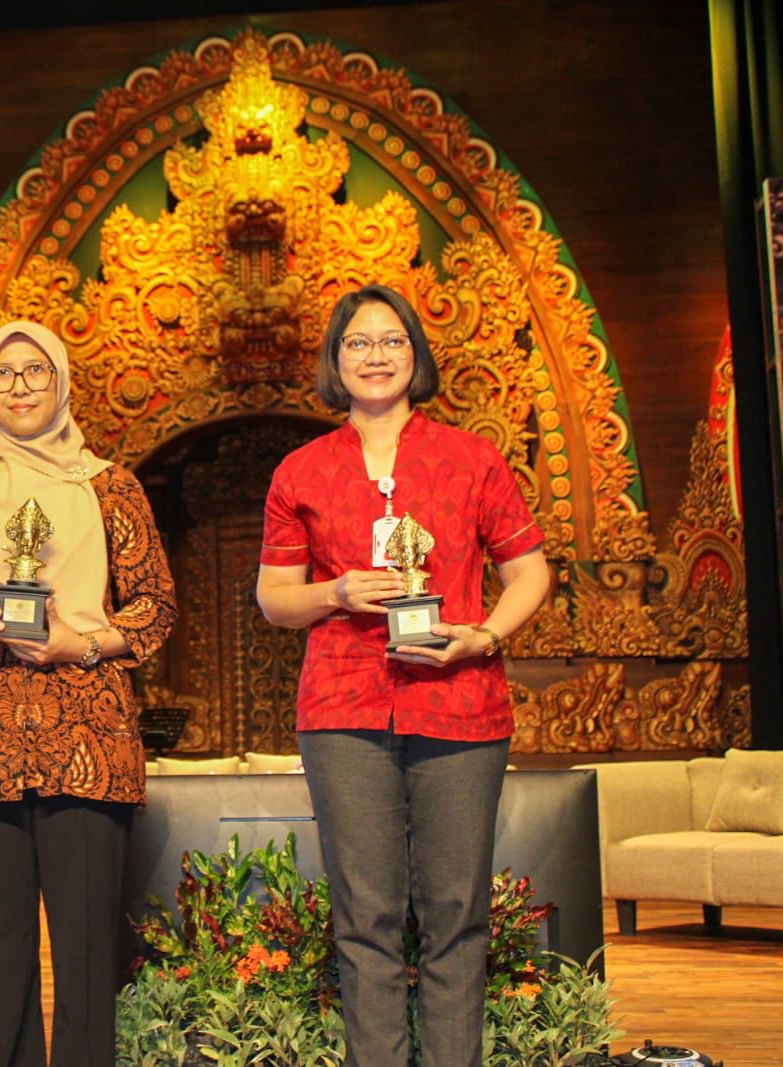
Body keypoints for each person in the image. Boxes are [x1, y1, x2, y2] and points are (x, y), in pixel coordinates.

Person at [255, 284, 551, 1066]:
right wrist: (338, 592)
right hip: (344, 711)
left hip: (460, 706)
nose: (376, 354)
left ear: (415, 353)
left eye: (391, 340)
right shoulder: (302, 471)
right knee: (366, 916)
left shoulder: (471, 457)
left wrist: (482, 636)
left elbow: (530, 573)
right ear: (336, 360)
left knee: (457, 914)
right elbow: (275, 600)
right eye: (358, 342)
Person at [0, 320, 176, 1066]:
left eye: (35, 372)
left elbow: (154, 606)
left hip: (87, 732)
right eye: (3, 374)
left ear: (59, 384)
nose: (19, 387)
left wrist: (76, 643)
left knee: (88, 952)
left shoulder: (111, 488)